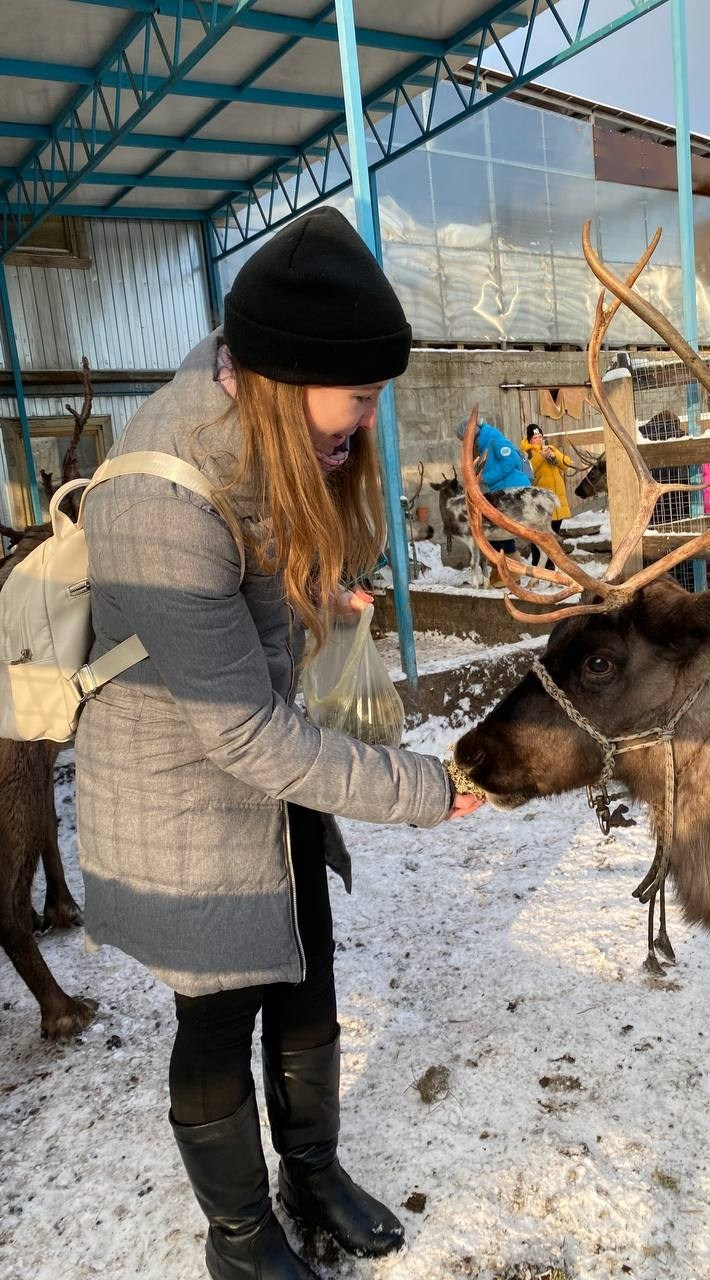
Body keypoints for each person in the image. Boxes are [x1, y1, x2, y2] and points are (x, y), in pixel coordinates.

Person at [75, 209, 484, 1280]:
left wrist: (316, 591)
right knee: (220, 1015)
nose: (372, 412)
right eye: (362, 392)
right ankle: (242, 1238)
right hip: (181, 785)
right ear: (289, 373)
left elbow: (254, 596)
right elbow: (237, 728)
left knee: (306, 970)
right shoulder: (159, 489)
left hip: (262, 768)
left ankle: (312, 1165)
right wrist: (425, 787)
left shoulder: (269, 440)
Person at [455, 412, 530, 588]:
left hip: (513, 492)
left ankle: (512, 574)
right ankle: (501, 573)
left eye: (465, 440)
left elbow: (511, 462)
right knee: (495, 535)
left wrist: (485, 478)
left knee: (502, 534)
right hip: (500, 494)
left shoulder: (496, 441)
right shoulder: (484, 446)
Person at [520, 423, 571, 570]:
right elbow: (527, 475)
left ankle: (550, 567)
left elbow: (566, 465)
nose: (538, 439)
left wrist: (554, 456)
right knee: (539, 537)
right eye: (535, 437)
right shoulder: (526, 456)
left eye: (540, 436)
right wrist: (541, 457)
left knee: (553, 536)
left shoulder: (550, 448)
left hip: (557, 499)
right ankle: (538, 566)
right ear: (529, 439)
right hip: (540, 502)